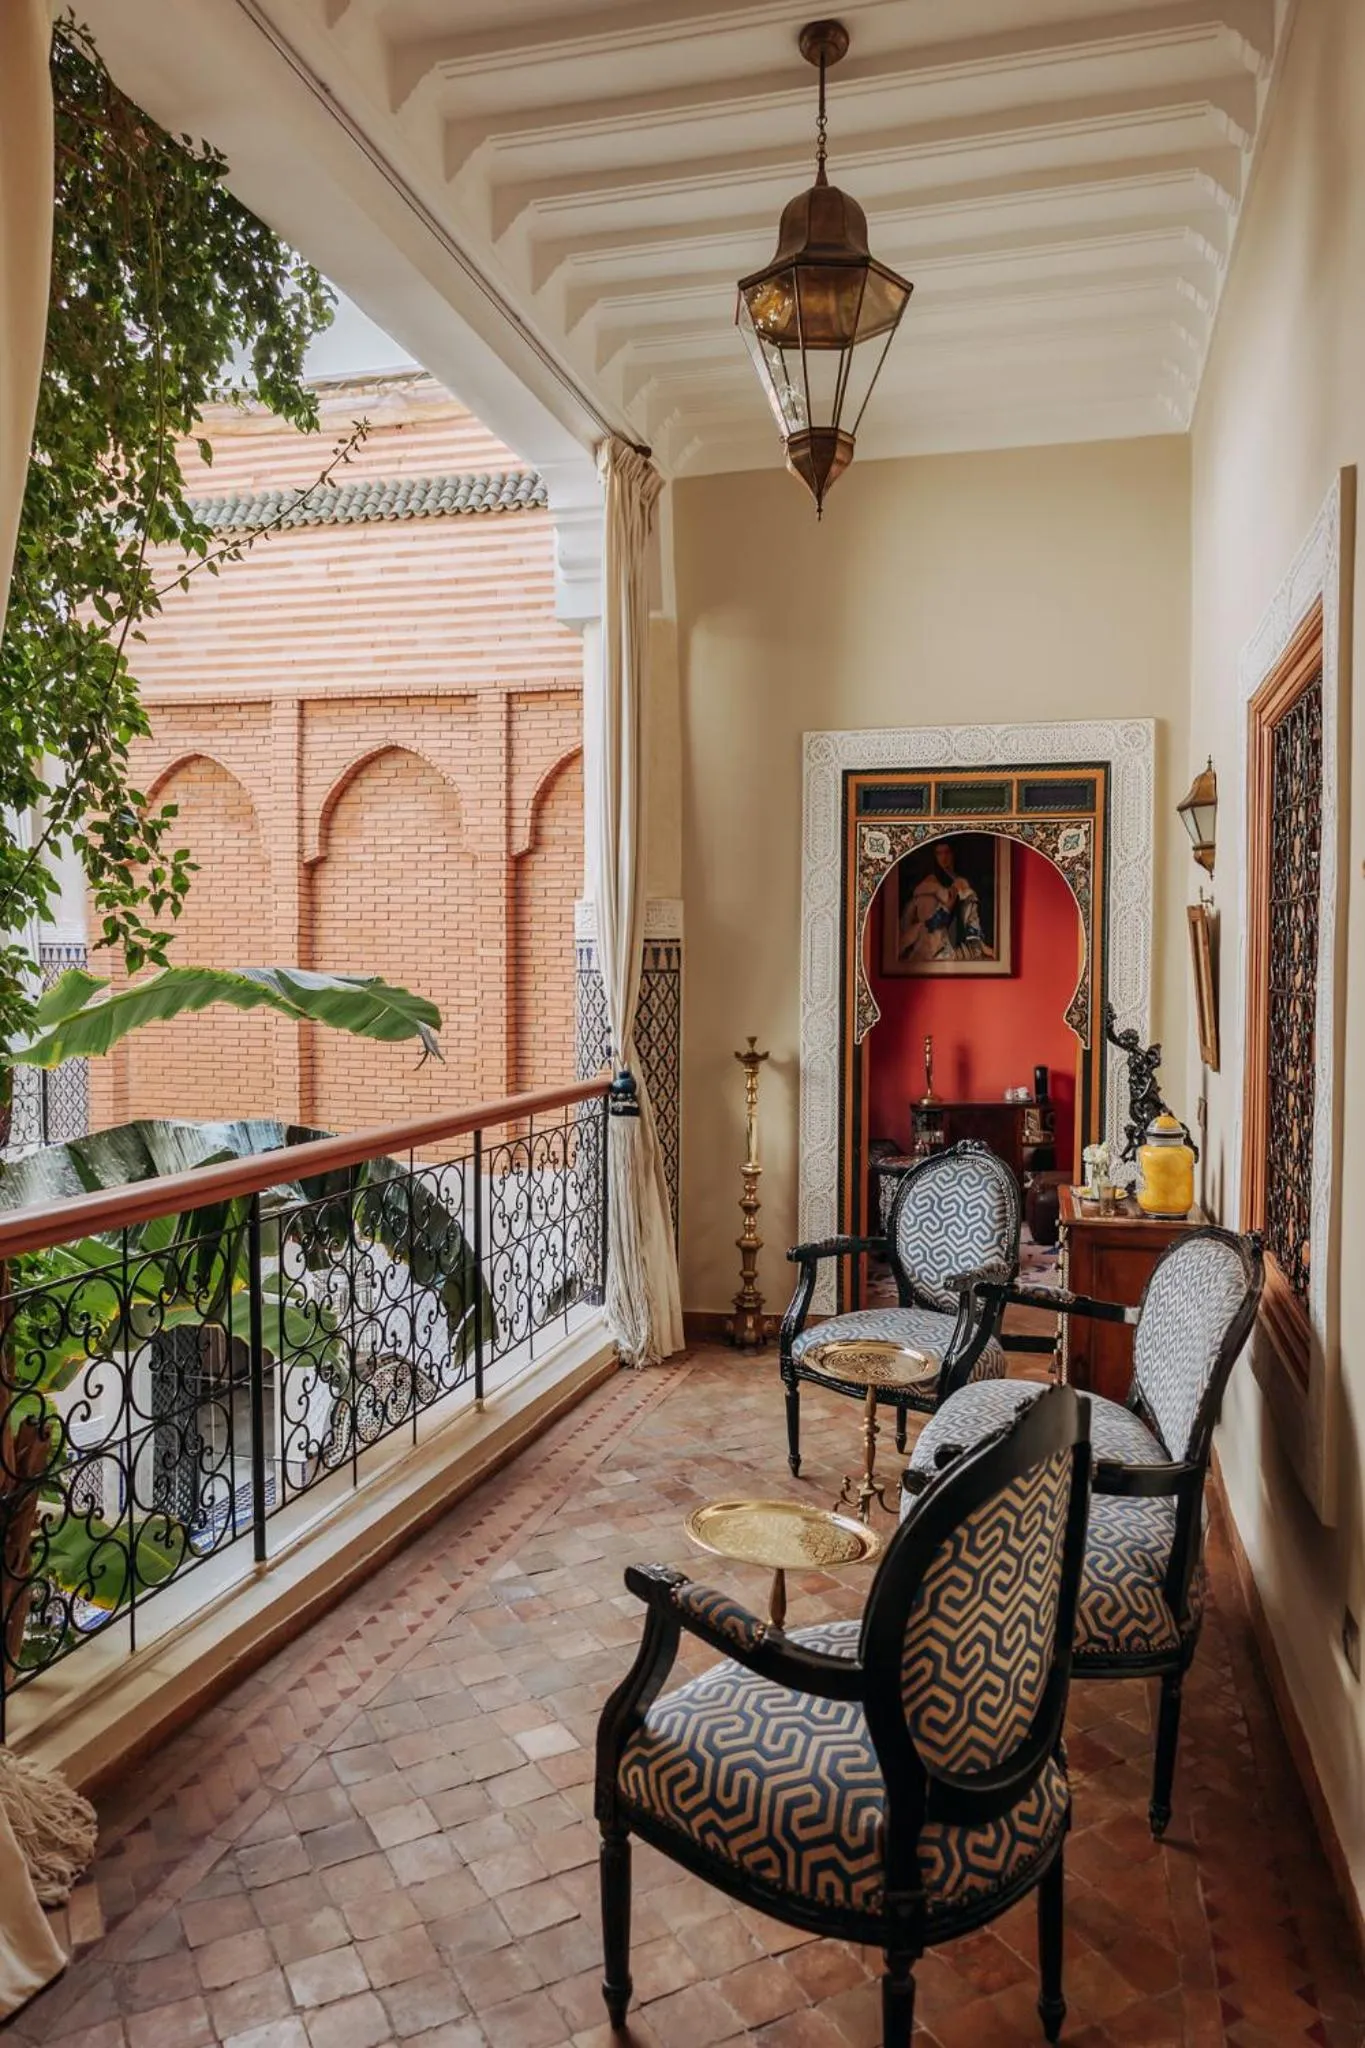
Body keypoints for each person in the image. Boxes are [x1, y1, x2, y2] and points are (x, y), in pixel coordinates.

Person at [897, 840, 989, 963]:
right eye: (939, 853)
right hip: (933, 942)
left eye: (947, 853)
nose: (943, 858)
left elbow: (970, 915)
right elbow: (928, 924)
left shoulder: (960, 881)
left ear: (953, 854)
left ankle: (977, 944)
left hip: (958, 934)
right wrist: (947, 908)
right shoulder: (930, 885)